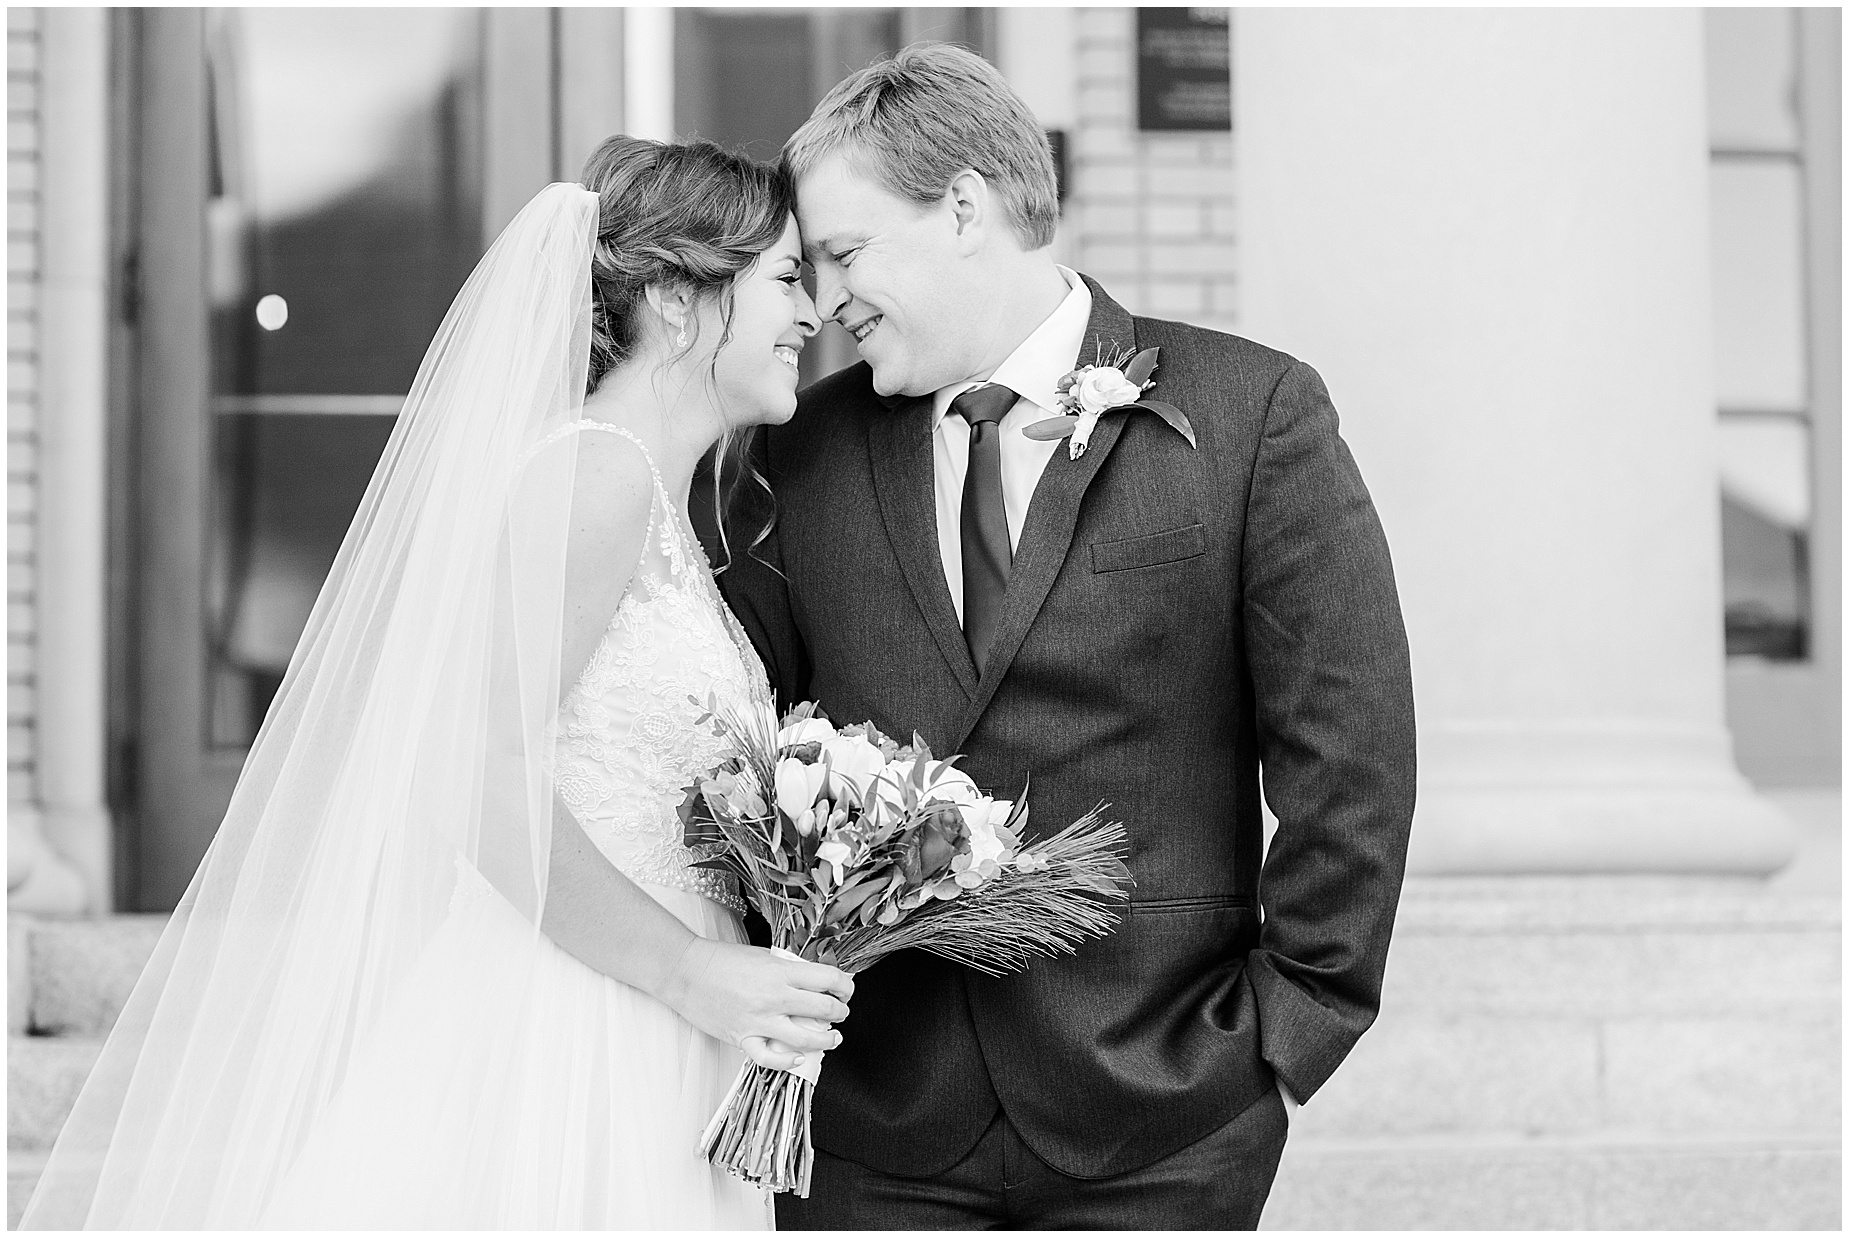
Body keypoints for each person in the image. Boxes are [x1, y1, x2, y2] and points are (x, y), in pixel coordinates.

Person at [20, 137, 850, 1230]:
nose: (813, 312)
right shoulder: (592, 475)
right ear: (676, 297)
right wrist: (690, 969)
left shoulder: (655, 500)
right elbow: (472, 774)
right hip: (580, 1018)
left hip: (660, 1012)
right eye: (787, 278)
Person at [717, 44, 1417, 1229]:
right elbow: (745, 739)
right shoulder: (802, 451)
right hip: (871, 1126)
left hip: (1164, 1111)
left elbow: (1350, 753)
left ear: (963, 209)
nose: (825, 300)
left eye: (843, 253)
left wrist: (1281, 1032)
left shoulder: (1252, 414)